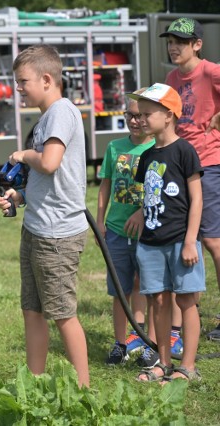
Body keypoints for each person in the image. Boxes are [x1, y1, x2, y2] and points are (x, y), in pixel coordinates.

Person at [0, 44, 90, 387]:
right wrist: (20, 196)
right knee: (32, 309)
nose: (18, 88)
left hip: (58, 235)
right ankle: (33, 384)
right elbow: (48, 176)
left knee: (63, 314)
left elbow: (49, 162)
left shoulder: (61, 112)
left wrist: (23, 154)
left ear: (47, 79)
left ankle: (83, 390)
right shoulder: (47, 117)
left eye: (23, 81)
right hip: (37, 227)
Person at [129, 83, 205, 382]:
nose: (142, 119)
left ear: (169, 115)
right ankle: (162, 362)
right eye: (140, 113)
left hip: (180, 241)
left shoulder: (184, 151)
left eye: (148, 114)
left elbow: (196, 199)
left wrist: (190, 241)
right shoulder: (147, 156)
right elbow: (151, 195)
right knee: (157, 302)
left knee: (186, 301)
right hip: (150, 243)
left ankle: (187, 366)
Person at [160, 18, 220, 342]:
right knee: (182, 241)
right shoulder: (171, 78)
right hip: (178, 165)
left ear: (197, 44)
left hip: (209, 163)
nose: (173, 47)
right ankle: (183, 320)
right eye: (170, 41)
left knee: (212, 241)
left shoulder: (211, 72)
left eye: (180, 42)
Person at [96, 90, 154, 365]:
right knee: (120, 290)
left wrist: (143, 213)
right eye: (130, 115)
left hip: (147, 233)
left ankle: (147, 342)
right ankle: (120, 343)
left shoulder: (156, 148)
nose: (135, 121)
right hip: (116, 230)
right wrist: (99, 222)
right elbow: (105, 184)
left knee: (146, 288)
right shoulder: (114, 147)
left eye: (141, 115)